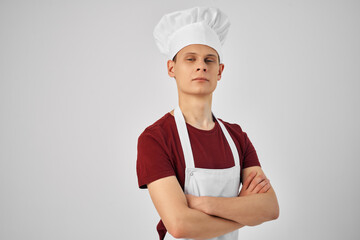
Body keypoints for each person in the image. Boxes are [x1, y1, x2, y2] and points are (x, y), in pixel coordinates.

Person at [136, 6, 279, 240]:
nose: (201, 66)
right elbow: (180, 225)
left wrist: (205, 205)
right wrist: (242, 207)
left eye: (209, 60)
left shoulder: (236, 137)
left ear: (220, 71)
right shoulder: (155, 138)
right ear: (172, 68)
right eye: (190, 59)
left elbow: (270, 208)